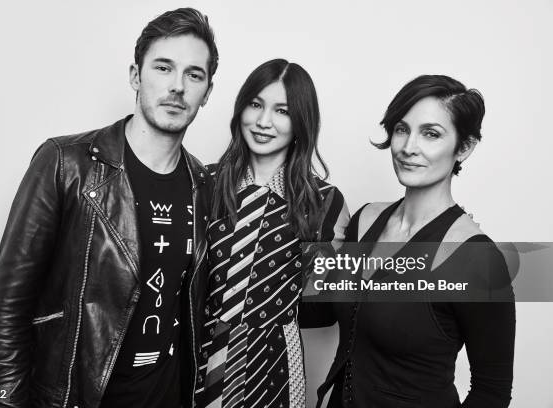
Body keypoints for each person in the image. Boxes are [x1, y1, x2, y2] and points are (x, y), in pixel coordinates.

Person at [0, 8, 217, 408]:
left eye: (194, 75)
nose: (177, 86)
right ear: (135, 76)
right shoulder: (65, 163)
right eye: (163, 68)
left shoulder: (202, 185)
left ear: (207, 92)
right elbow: (3, 311)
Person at [300, 75, 515, 407]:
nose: (408, 147)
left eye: (431, 133)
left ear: (464, 147)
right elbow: (320, 311)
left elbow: (492, 391)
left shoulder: (477, 259)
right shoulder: (364, 220)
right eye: (402, 129)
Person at [194, 59, 350, 408]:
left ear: (301, 122)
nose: (264, 122)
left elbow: (327, 305)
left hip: (277, 359)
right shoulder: (204, 183)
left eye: (282, 110)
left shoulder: (324, 202)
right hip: (201, 353)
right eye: (255, 104)